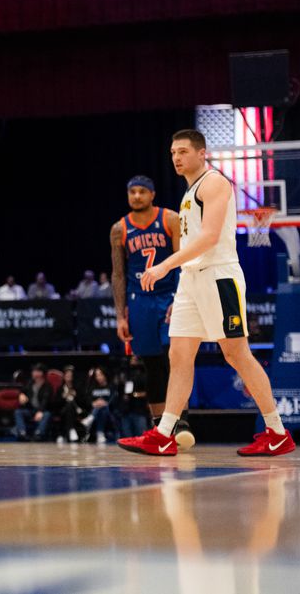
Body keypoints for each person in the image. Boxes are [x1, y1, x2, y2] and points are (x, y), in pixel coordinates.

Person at [120, 129, 294, 456]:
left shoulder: (214, 182)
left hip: (218, 276)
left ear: (202, 153)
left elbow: (210, 237)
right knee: (179, 354)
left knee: (236, 353)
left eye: (183, 151)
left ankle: (277, 431)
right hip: (191, 279)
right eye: (173, 152)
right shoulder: (188, 193)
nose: (176, 157)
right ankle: (165, 433)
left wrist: (164, 266)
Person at [110, 175, 193, 448]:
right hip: (139, 301)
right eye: (132, 191)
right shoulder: (119, 229)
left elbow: (183, 263)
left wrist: (180, 297)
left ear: (152, 194)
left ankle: (181, 422)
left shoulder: (169, 219)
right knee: (152, 366)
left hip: (169, 296)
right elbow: (118, 274)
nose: (136, 196)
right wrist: (121, 315)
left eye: (141, 191)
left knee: (176, 358)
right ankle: (160, 429)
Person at [14, 364, 55, 441]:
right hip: (31, 410)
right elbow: (23, 390)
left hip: (43, 410)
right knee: (18, 412)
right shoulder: (30, 383)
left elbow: (45, 401)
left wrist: (40, 411)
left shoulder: (47, 386)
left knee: (47, 414)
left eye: (35, 371)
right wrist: (21, 394)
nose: (33, 373)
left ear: (41, 373)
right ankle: (22, 433)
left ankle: (38, 433)